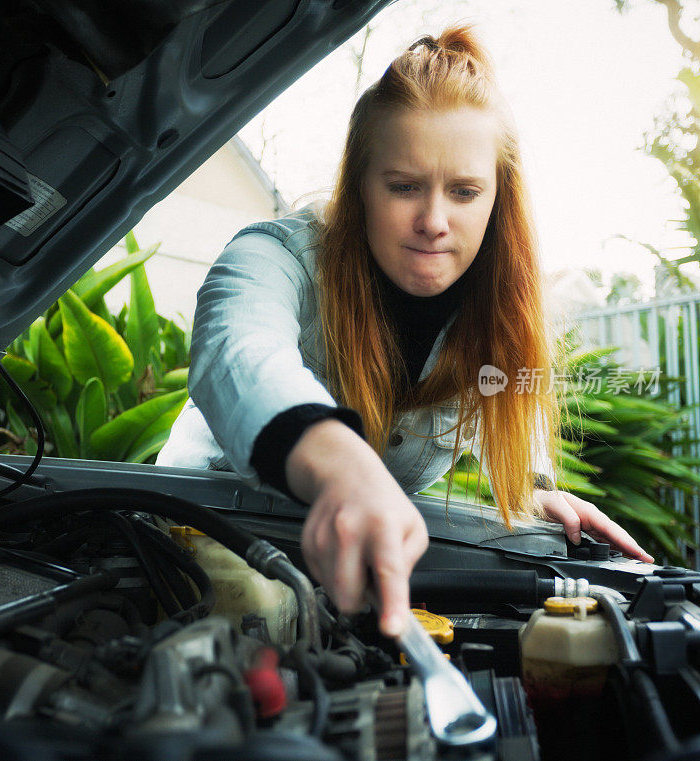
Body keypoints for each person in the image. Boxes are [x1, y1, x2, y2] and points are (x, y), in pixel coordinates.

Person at [157, 25, 654, 639]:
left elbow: (503, 396)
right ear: (359, 184)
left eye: (466, 191)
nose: (434, 222)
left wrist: (534, 485)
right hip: (200, 546)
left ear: (498, 201)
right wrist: (341, 466)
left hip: (361, 579)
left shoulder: (500, 312)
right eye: (403, 186)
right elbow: (236, 348)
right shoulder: (280, 257)